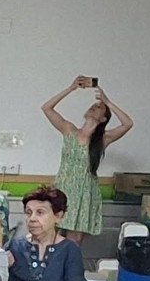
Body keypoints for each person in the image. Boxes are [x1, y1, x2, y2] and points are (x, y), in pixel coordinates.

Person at [43, 75, 135, 243]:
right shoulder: (69, 130)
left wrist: (107, 102)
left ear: (103, 119)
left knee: (74, 239)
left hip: (86, 191)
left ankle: (70, 268)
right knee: (50, 234)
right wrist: (71, 88)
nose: (94, 106)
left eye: (99, 107)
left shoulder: (103, 139)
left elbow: (128, 123)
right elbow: (47, 108)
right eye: (93, 105)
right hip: (63, 186)